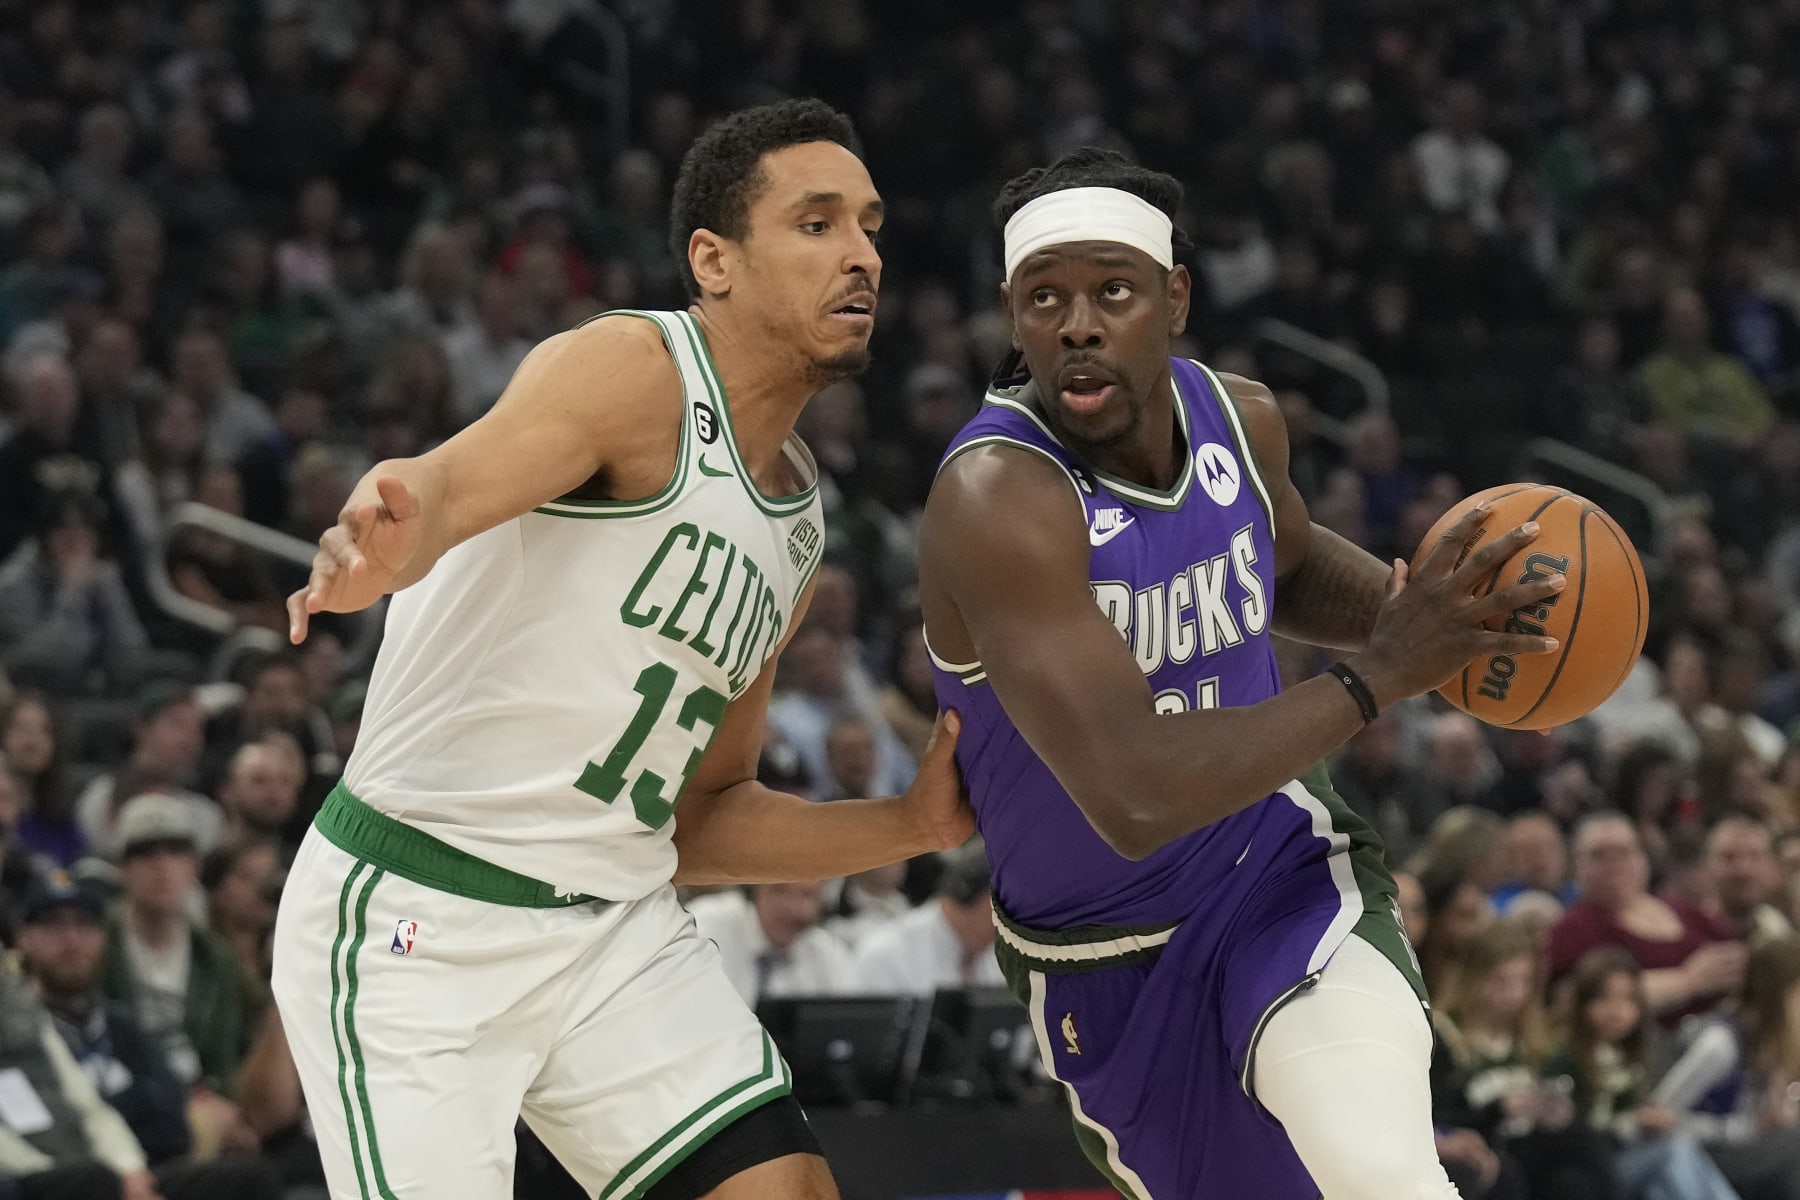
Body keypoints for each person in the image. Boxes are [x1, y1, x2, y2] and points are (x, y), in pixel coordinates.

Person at [275, 99, 969, 1200]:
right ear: (715, 259)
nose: (861, 255)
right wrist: (387, 522)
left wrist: (911, 824)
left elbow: (699, 819)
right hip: (420, 922)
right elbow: (451, 479)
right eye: (818, 223)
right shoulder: (635, 368)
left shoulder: (797, 519)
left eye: (871, 226)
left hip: (612, 934)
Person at [916, 147, 1564, 1199]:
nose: (1077, 323)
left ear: (1174, 297)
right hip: (1104, 964)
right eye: (1046, 299)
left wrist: (1443, 627)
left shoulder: (1243, 418)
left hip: (1279, 877)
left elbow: (1290, 563)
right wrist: (1383, 674)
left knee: (1382, 1177)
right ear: (1012, 314)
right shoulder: (997, 498)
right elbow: (1132, 795)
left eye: (1112, 292)